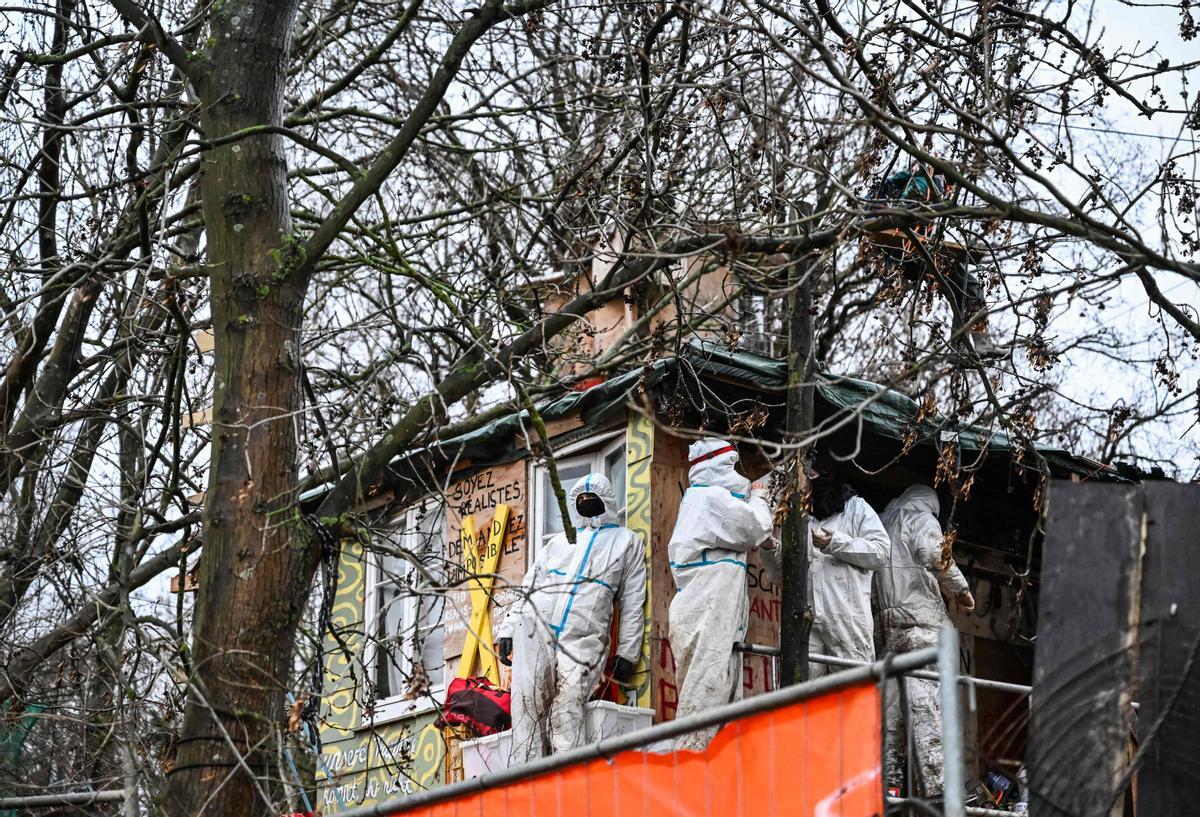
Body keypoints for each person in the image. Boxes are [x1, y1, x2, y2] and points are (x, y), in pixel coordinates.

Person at [496, 473, 646, 761]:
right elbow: (529, 585)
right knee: (526, 703)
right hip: (535, 626)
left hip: (584, 634)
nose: (587, 504)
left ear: (607, 502)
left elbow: (633, 598)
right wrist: (508, 628)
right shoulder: (560, 542)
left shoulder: (626, 542)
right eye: (581, 500)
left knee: (569, 705)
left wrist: (628, 651)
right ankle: (528, 782)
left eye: (594, 499)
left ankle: (568, 783)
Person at [667, 438, 775, 751]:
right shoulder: (710, 498)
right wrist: (761, 496)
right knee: (704, 698)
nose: (737, 473)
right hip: (707, 609)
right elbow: (756, 526)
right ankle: (688, 775)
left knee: (720, 697)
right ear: (717, 466)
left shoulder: (701, 499)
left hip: (707, 609)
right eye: (731, 466)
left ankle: (711, 780)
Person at [876, 484, 976, 798]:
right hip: (924, 626)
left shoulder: (881, 522)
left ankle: (889, 787)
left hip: (892, 633)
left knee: (891, 716)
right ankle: (940, 789)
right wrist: (960, 591)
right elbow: (936, 553)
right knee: (927, 709)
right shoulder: (919, 517)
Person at [870, 164, 1008, 359]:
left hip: (912, 253)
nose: (949, 191)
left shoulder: (921, 184)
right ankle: (978, 344)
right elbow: (903, 213)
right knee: (971, 286)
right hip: (913, 251)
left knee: (962, 291)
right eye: (950, 185)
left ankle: (960, 350)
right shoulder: (922, 183)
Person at [806, 457, 890, 678]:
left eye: (813, 475)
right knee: (803, 701)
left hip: (847, 620)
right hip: (808, 622)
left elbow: (881, 552)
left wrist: (835, 543)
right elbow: (784, 576)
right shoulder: (803, 517)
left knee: (852, 699)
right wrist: (770, 550)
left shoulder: (856, 508)